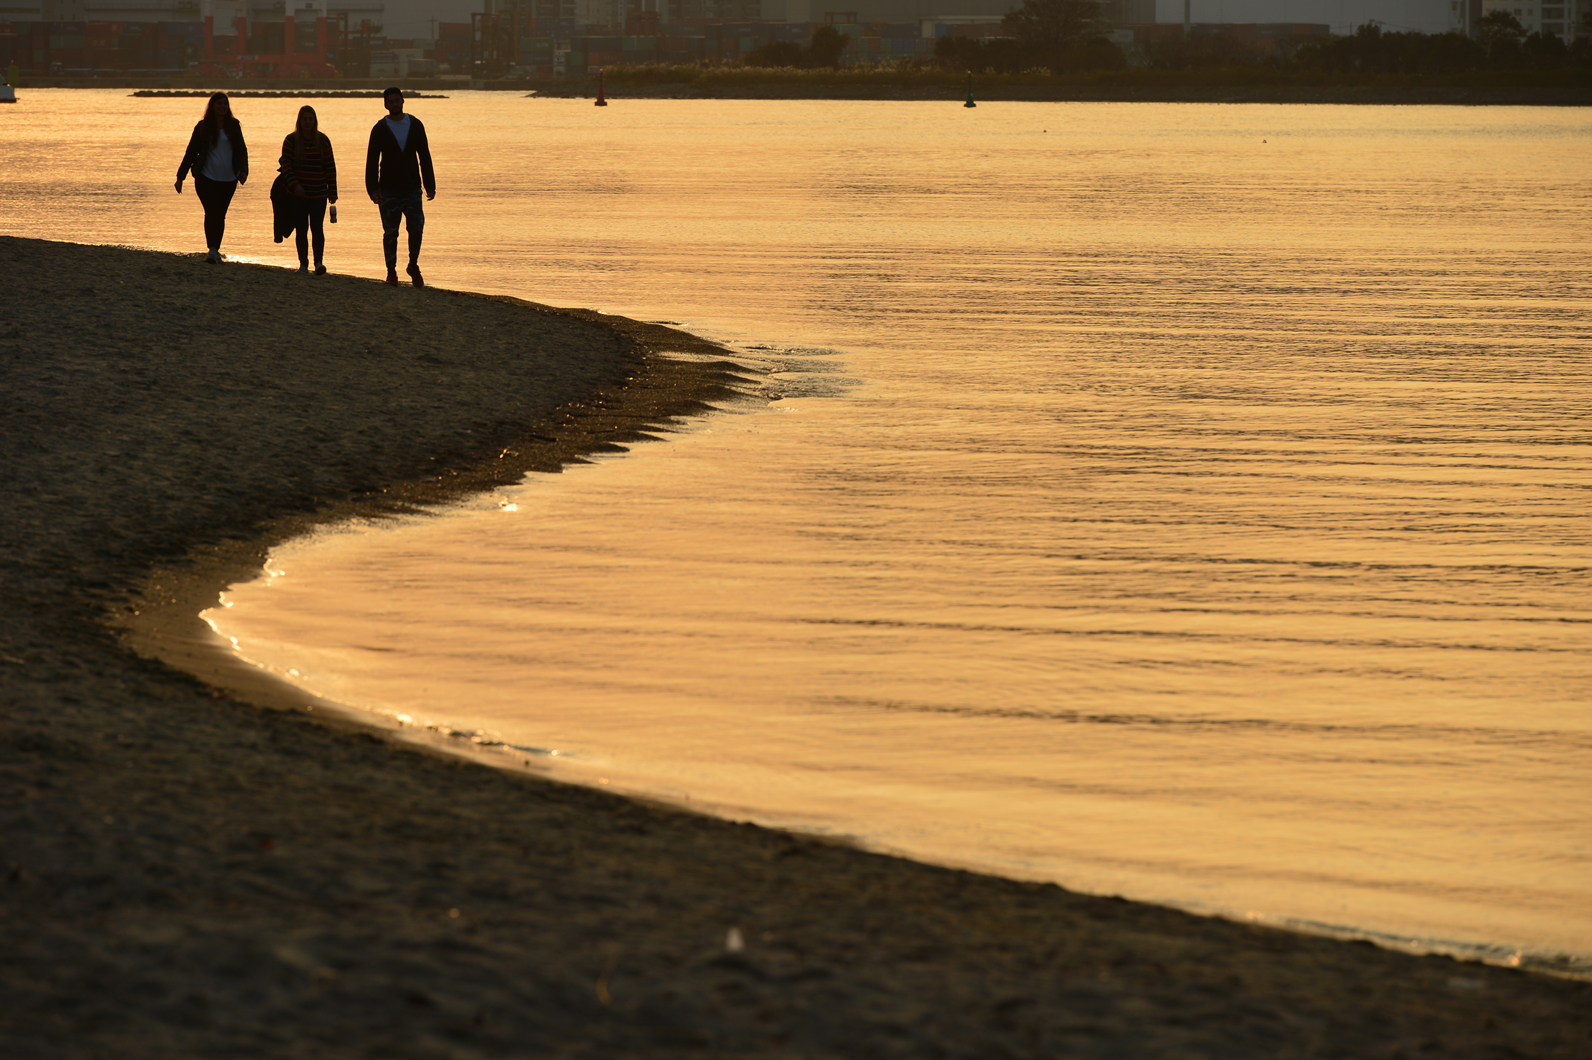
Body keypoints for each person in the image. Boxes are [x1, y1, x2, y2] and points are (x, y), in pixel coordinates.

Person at [365, 86, 435, 288]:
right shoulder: (379, 128)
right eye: (391, 101)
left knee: (416, 229)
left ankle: (413, 265)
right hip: (388, 190)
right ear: (386, 104)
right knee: (390, 232)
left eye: (398, 100)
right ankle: (391, 271)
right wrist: (373, 189)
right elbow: (371, 160)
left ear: (403, 101)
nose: (395, 104)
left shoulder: (415, 125)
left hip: (412, 188)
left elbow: (424, 156)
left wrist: (430, 184)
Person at [175, 92, 249, 264]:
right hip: (205, 177)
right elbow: (191, 152)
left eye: (225, 103)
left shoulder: (233, 126)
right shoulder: (203, 127)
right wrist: (181, 177)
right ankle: (212, 250)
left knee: (220, 214)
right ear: (212, 106)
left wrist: (243, 171)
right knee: (211, 211)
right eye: (219, 103)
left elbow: (241, 150)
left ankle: (215, 248)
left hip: (229, 178)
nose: (222, 106)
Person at [278, 105, 338, 276]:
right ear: (299, 121)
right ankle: (303, 264)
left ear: (315, 121)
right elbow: (286, 165)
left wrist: (332, 191)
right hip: (297, 194)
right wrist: (295, 184)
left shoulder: (323, 141)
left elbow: (330, 166)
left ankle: (319, 263)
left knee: (317, 228)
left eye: (310, 119)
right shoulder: (290, 140)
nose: (307, 122)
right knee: (301, 228)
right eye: (304, 119)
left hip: (319, 193)